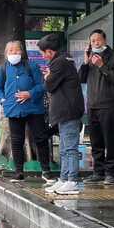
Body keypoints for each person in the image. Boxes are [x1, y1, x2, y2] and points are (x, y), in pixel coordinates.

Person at [0, 40, 55, 183]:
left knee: (40, 138)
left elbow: (42, 86)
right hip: (14, 109)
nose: (14, 53)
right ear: (6, 53)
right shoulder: (3, 69)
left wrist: (30, 93)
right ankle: (19, 171)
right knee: (17, 141)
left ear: (21, 52)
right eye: (11, 51)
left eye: (16, 50)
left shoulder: (31, 66)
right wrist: (3, 100)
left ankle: (46, 170)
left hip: (34, 108)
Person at [38, 34, 85, 195]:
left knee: (70, 148)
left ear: (50, 51)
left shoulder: (59, 62)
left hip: (68, 111)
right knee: (64, 149)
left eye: (43, 53)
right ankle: (64, 179)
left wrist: (47, 76)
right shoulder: (63, 61)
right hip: (65, 112)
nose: (43, 56)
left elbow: (49, 85)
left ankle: (72, 181)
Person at [79, 29, 114, 185]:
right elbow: (81, 79)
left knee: (109, 140)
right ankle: (98, 172)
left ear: (104, 40)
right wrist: (85, 62)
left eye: (98, 40)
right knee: (95, 141)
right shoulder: (90, 59)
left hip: (108, 105)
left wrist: (102, 65)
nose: (95, 43)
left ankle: (112, 173)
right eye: (92, 41)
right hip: (92, 106)